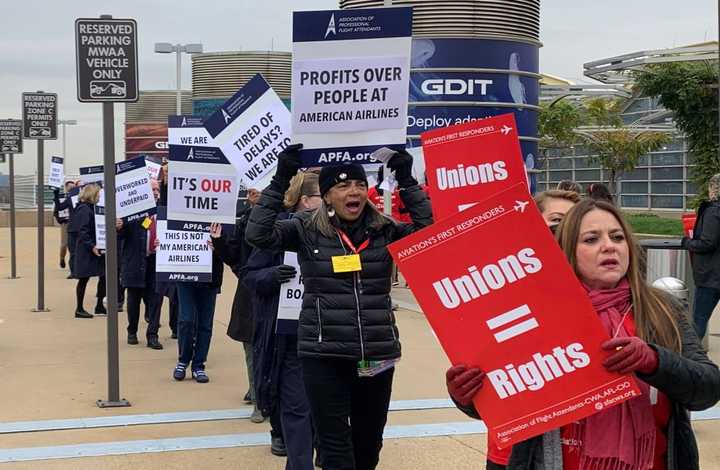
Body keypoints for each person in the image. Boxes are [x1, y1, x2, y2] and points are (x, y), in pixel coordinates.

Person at [447, 198, 720, 469]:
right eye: (591, 239)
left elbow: (707, 389)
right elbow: (506, 402)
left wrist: (655, 361)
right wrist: (469, 396)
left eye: (617, 237)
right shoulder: (536, 314)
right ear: (568, 250)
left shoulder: (663, 308)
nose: (609, 246)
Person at [246, 144, 433, 470]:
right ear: (328, 195)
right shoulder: (305, 228)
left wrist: (407, 179)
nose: (354, 191)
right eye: (343, 186)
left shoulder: (384, 229)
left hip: (375, 354)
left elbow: (429, 234)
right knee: (334, 449)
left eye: (360, 185)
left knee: (368, 445)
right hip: (324, 355)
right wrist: (280, 180)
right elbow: (258, 234)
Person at [242, 172, 322, 469]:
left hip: (329, 336)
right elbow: (249, 274)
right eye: (320, 198)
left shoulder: (338, 231)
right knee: (297, 409)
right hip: (289, 339)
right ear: (305, 200)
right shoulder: (278, 231)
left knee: (321, 410)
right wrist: (271, 277)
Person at [213, 188, 267, 422]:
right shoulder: (245, 220)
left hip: (278, 292)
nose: (254, 192)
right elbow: (235, 256)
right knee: (251, 347)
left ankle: (262, 394)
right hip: (251, 292)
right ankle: (258, 398)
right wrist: (219, 242)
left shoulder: (285, 218)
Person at [172, 226, 224, 383]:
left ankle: (198, 365)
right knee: (186, 320)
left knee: (205, 324)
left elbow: (230, 248)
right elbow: (170, 234)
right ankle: (183, 360)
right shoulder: (179, 213)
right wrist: (163, 245)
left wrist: (219, 244)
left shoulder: (221, 218)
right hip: (185, 274)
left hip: (210, 277)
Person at [118, 179, 163, 349]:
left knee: (155, 300)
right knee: (134, 299)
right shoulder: (132, 212)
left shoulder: (163, 212)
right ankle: (132, 331)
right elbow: (120, 237)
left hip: (155, 262)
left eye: (157, 189)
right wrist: (119, 226)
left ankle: (152, 335)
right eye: (152, 189)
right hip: (135, 261)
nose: (156, 192)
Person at [682, 173, 720, 339]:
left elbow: (707, 243)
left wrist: (687, 242)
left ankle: (693, 359)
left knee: (698, 319)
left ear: (713, 188)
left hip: (711, 276)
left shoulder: (714, 211)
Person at [72, 183, 107, 319]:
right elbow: (83, 231)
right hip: (87, 249)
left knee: (103, 276)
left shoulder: (91, 209)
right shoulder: (84, 210)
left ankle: (99, 304)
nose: (99, 196)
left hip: (94, 247)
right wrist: (92, 246)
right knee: (84, 279)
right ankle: (79, 308)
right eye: (98, 194)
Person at [53, 180, 76, 270]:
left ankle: (73, 267)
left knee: (73, 245)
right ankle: (62, 258)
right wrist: (61, 220)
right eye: (70, 187)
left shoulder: (77, 197)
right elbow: (57, 210)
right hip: (65, 223)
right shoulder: (63, 198)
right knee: (64, 244)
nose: (72, 188)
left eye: (73, 187)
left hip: (75, 223)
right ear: (66, 188)